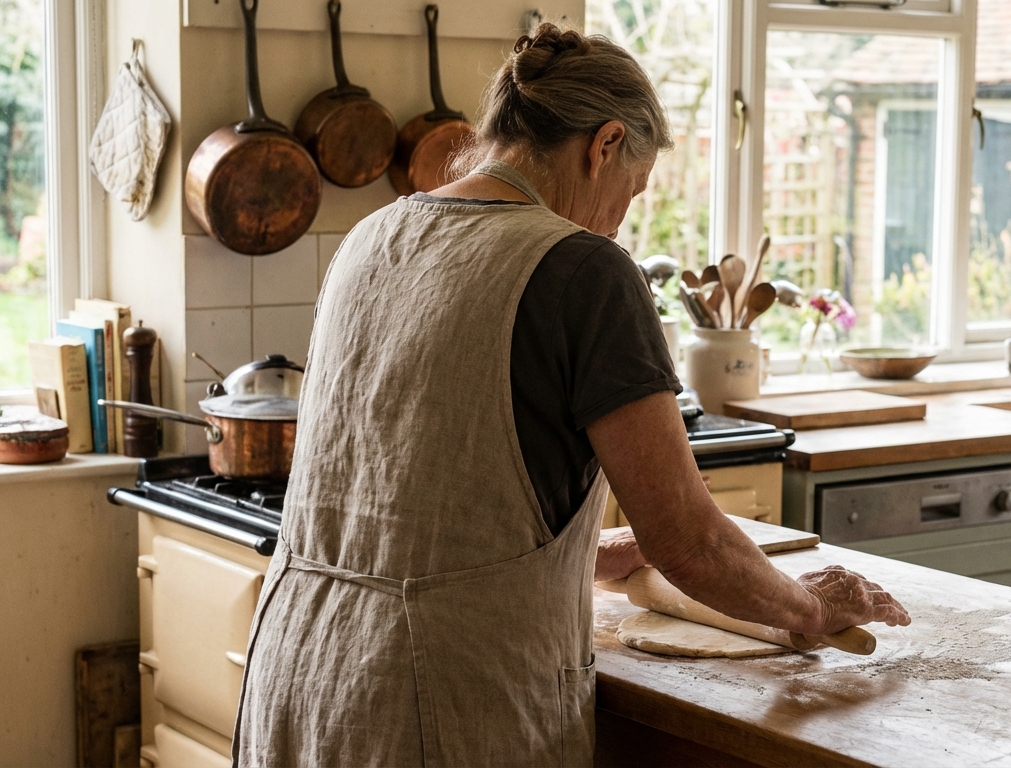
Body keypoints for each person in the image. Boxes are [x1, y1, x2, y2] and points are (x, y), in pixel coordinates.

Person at [233, 24, 909, 767]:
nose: (622, 216)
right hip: (440, 699)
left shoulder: (371, 238)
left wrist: (590, 553)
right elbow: (689, 540)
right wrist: (811, 608)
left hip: (299, 671)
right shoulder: (585, 270)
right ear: (605, 144)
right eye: (633, 190)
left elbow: (420, 504)